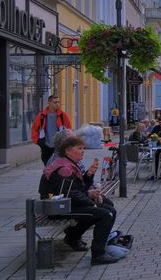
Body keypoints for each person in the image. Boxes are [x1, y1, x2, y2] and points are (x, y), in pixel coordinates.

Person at [38, 136, 120, 265]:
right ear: (68, 150)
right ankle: (98, 254)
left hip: (63, 204)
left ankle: (72, 237)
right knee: (106, 214)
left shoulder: (68, 163)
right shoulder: (65, 169)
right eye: (79, 148)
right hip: (57, 207)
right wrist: (91, 200)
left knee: (108, 206)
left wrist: (88, 176)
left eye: (83, 148)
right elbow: (69, 194)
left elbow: (74, 189)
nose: (83, 151)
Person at [31, 95, 73, 165]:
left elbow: (69, 129)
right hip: (46, 146)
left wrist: (67, 142)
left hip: (59, 146)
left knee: (59, 166)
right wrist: (38, 141)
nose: (57, 104)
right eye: (55, 102)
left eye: (58, 102)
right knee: (47, 167)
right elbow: (34, 129)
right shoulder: (41, 116)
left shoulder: (63, 115)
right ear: (49, 103)